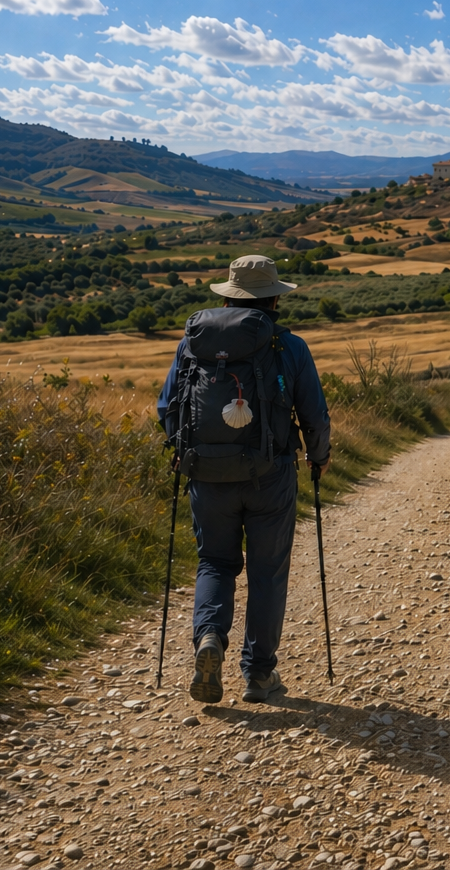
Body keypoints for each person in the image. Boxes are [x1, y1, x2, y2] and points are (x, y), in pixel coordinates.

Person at [157, 255, 331, 704]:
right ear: (274, 297)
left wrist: (183, 453)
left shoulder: (191, 342)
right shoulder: (288, 346)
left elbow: (166, 407)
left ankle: (210, 638)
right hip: (269, 477)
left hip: (206, 475)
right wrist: (319, 457)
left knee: (215, 563)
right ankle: (258, 674)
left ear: (230, 294)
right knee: (267, 573)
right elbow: (314, 414)